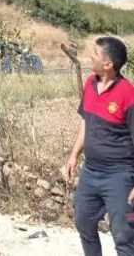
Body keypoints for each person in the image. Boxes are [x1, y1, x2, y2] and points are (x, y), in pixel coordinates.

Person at [62, 36, 134, 256]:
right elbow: (86, 121)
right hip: (91, 172)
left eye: (95, 54)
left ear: (108, 64)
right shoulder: (90, 84)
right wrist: (74, 155)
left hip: (119, 176)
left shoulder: (128, 94)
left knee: (124, 237)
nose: (89, 57)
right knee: (84, 223)